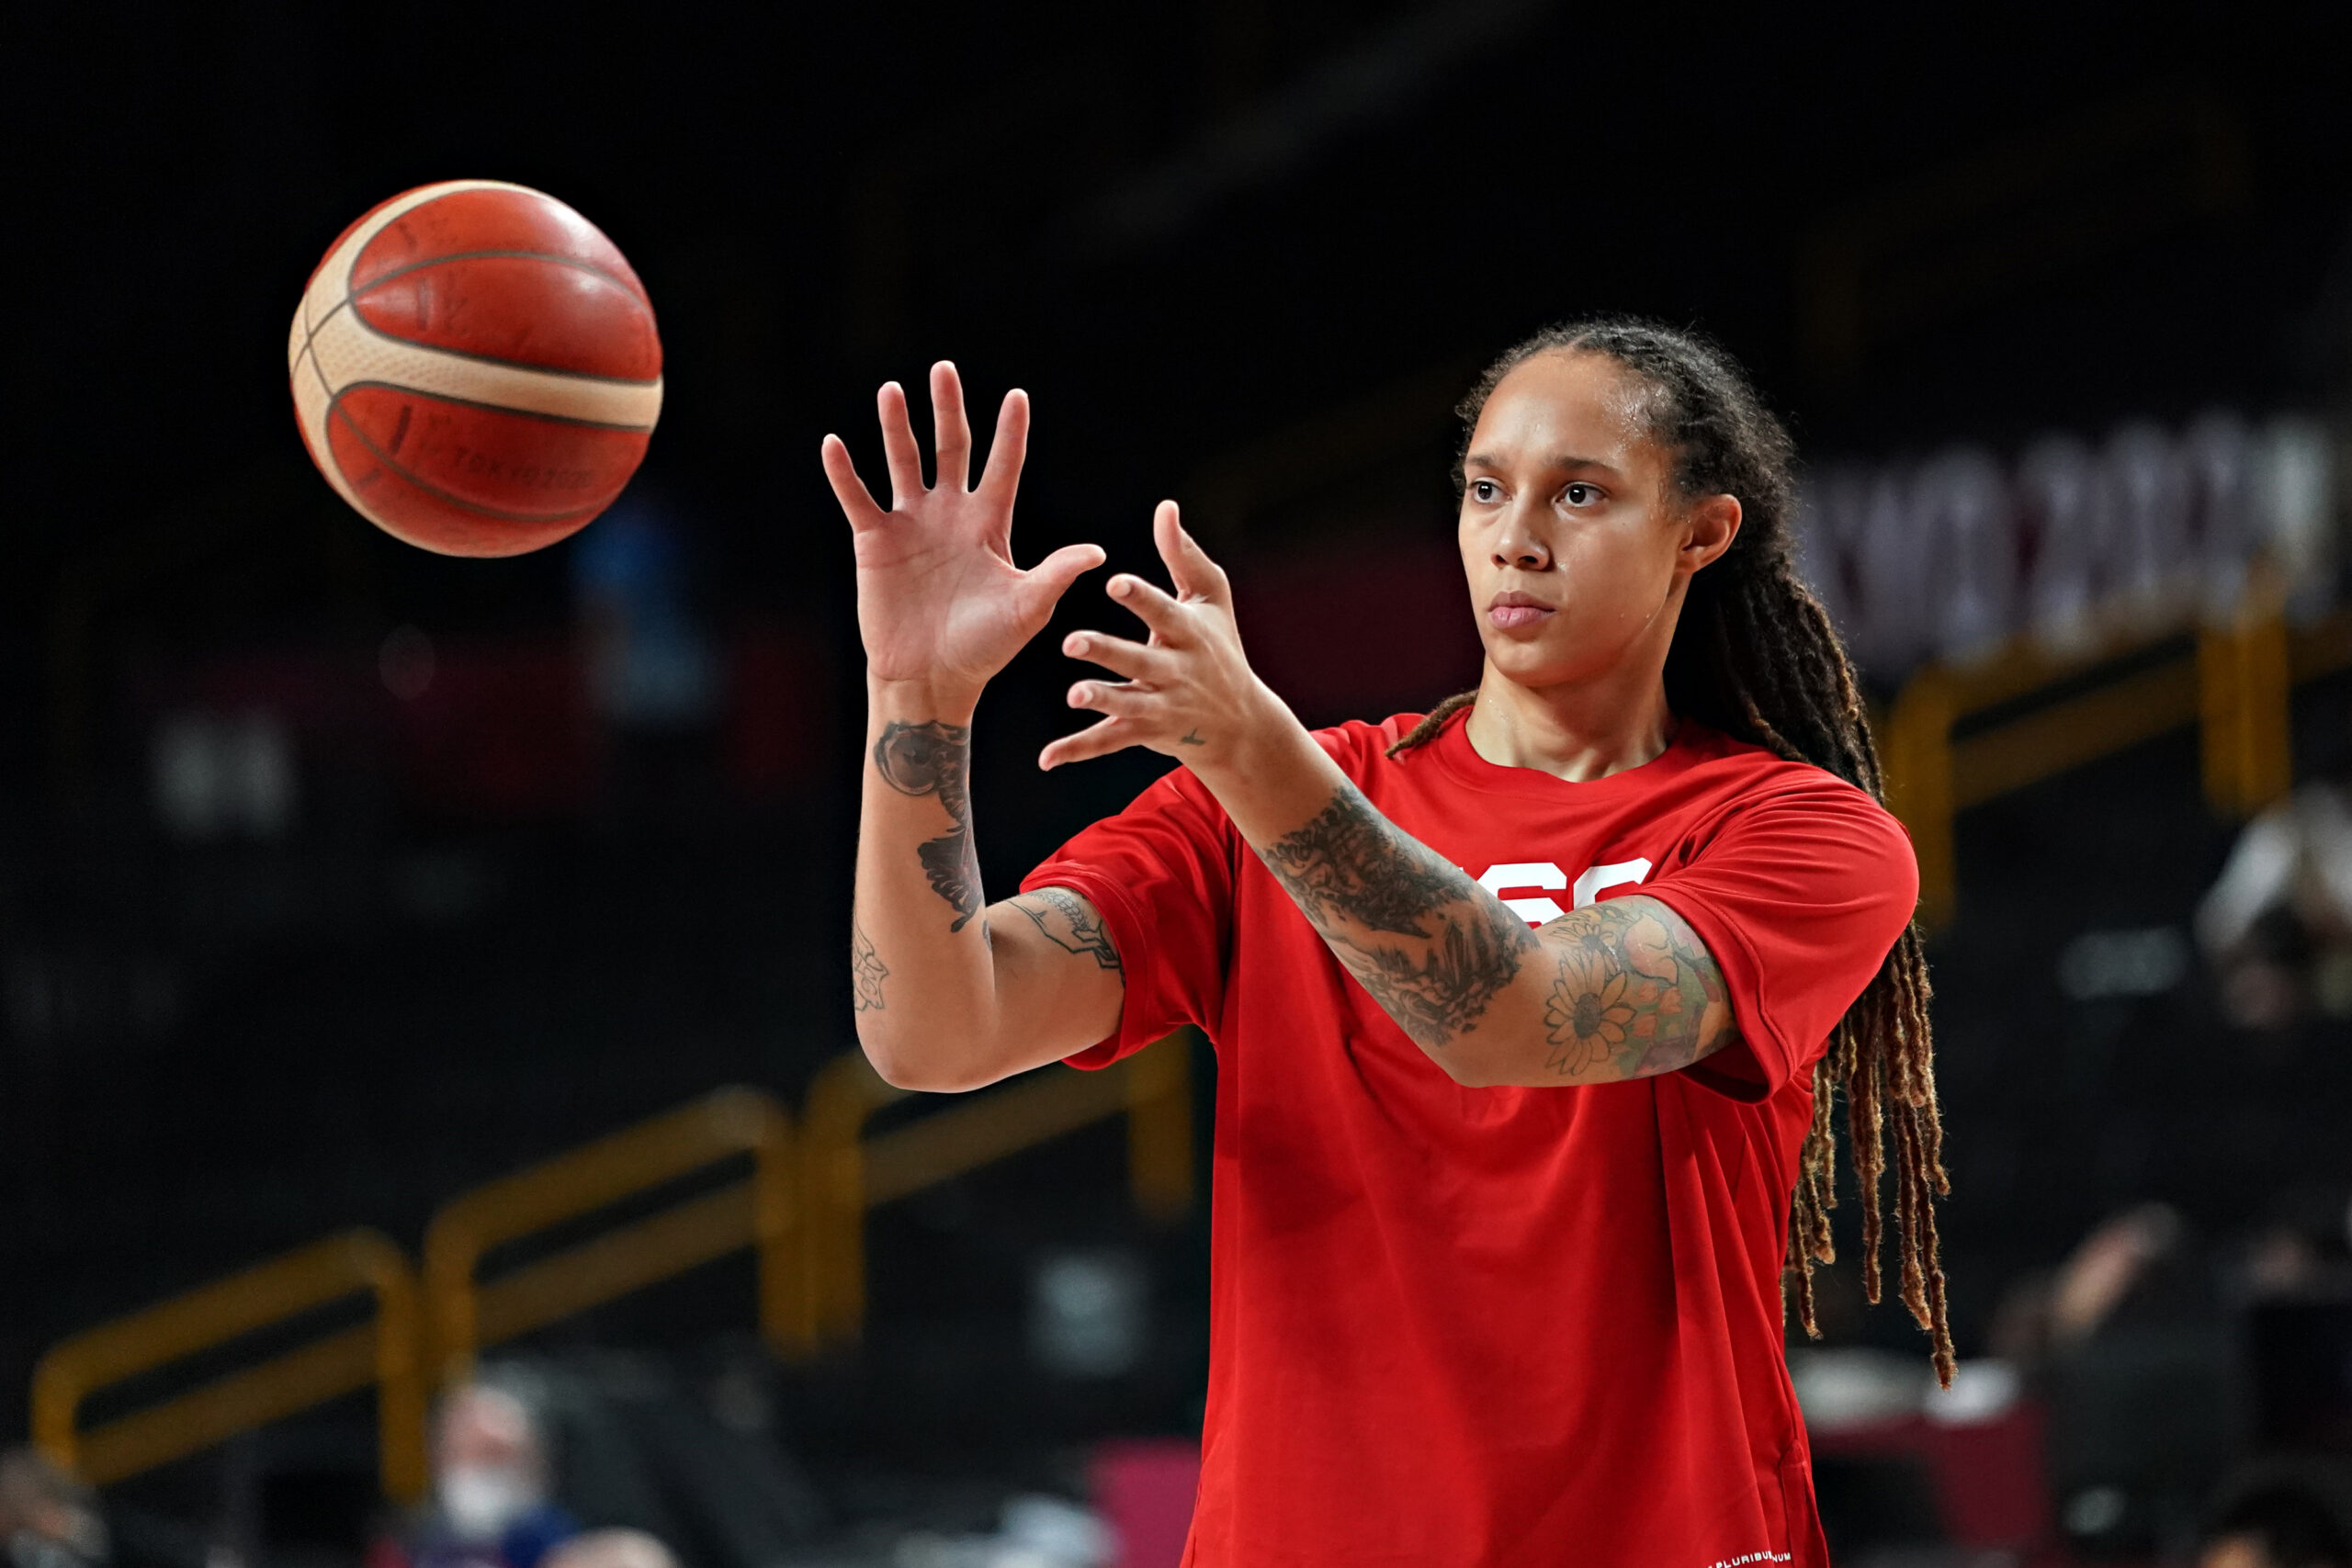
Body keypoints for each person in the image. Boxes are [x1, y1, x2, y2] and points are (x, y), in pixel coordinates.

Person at [828, 320, 1949, 1564]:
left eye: (1580, 493)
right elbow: (933, 1031)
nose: (1515, 536)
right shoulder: (1258, 808)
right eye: (1485, 488)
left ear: (1702, 532)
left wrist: (1258, 753)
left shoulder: (1800, 836)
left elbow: (1515, 1019)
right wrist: (916, 702)